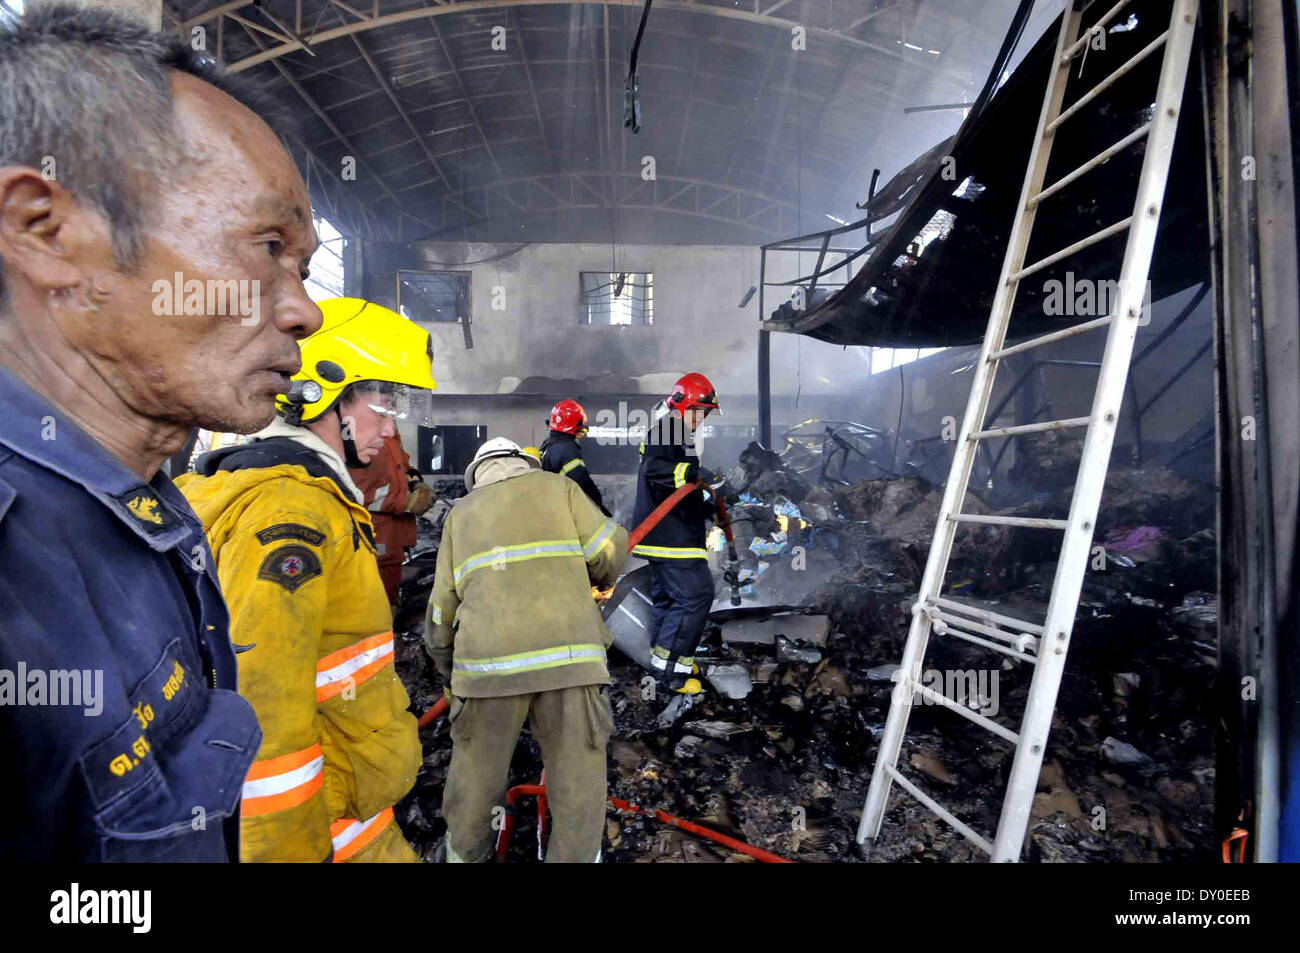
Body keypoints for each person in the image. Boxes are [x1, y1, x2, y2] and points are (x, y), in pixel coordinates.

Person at [0, 5, 321, 861]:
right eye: (265, 245)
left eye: (305, 266)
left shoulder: (149, 516)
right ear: (46, 232)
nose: (304, 310)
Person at [179, 298, 436, 862]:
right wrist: (285, 849)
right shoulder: (288, 511)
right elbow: (262, 705)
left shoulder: (299, 492)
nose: (392, 429)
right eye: (384, 404)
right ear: (320, 389)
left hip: (343, 802)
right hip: (316, 828)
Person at [426, 437, 627, 862]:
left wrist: (446, 667)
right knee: (577, 780)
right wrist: (596, 580)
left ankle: (466, 855)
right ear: (524, 463)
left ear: (477, 476)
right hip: (571, 663)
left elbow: (442, 611)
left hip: (486, 670)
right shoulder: (560, 489)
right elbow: (611, 550)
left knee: (476, 780)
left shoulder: (460, 516)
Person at [631, 373, 721, 696]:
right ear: (682, 404)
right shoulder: (670, 428)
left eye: (706, 412)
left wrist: (709, 506)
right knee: (695, 597)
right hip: (673, 538)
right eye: (700, 410)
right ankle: (673, 674)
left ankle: (665, 666)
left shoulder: (677, 432)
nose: (702, 417)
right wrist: (697, 475)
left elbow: (682, 488)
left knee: (670, 602)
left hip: (669, 534)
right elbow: (657, 471)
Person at [350, 432, 436, 607]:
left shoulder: (387, 431)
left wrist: (415, 482)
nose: (389, 424)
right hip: (373, 534)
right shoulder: (354, 431)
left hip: (394, 535)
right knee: (374, 603)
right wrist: (405, 501)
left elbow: (401, 465)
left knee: (390, 595)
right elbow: (355, 490)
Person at [540, 398, 610, 516]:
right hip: (564, 510)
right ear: (575, 425)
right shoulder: (568, 450)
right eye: (581, 425)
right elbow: (582, 481)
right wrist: (598, 503)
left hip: (550, 505)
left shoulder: (548, 444)